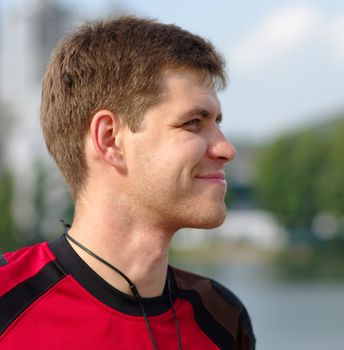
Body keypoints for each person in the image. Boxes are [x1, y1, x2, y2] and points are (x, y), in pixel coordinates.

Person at [0, 16, 255, 349]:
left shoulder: (222, 316)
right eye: (193, 123)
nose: (226, 149)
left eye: (217, 123)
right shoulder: (8, 299)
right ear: (110, 139)